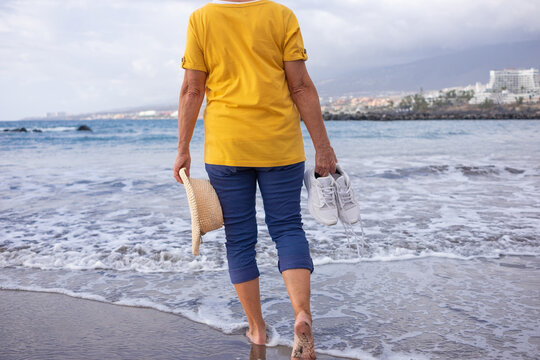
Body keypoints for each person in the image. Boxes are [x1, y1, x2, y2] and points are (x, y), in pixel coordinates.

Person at [172, 1, 337, 358]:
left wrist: (182, 148)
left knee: (240, 240)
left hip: (227, 148)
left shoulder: (201, 19)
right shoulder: (281, 16)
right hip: (280, 146)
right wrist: (323, 146)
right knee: (288, 228)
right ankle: (302, 315)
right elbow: (301, 87)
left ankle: (258, 331)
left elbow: (192, 90)